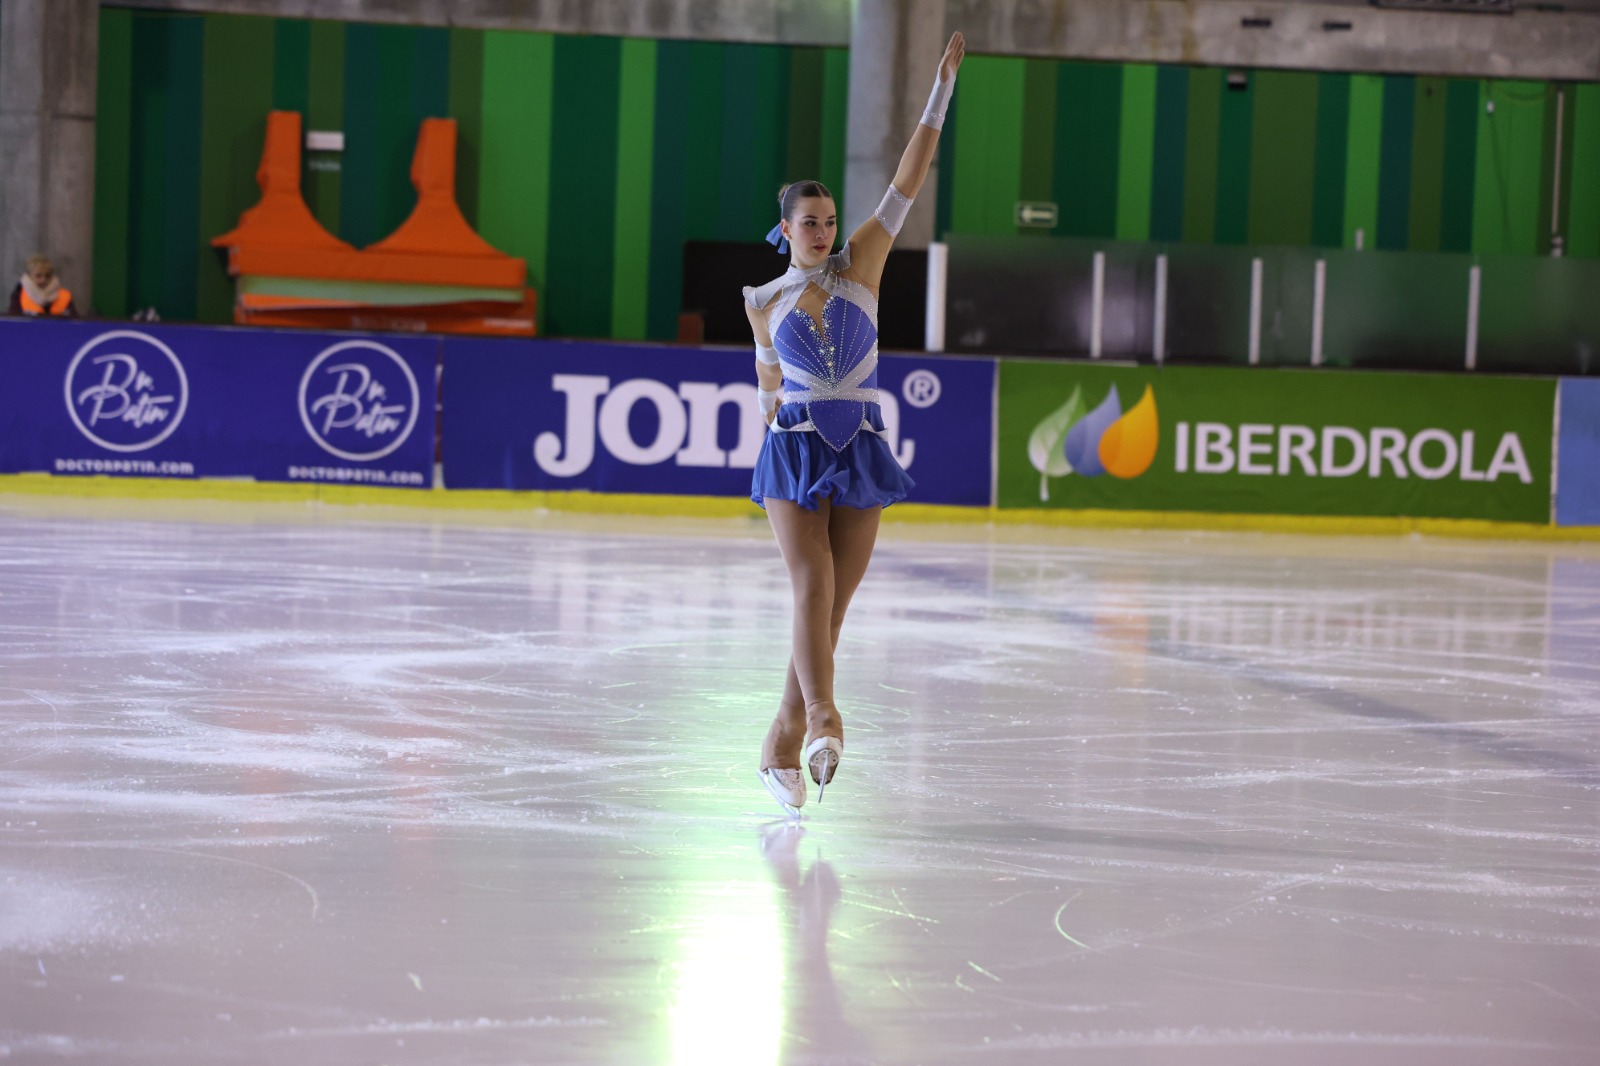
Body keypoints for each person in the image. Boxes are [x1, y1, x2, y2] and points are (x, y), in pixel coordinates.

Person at [744, 31, 964, 816]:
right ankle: (825, 720)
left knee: (833, 606)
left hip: (864, 445)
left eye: (831, 219)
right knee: (810, 585)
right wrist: (773, 415)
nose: (826, 232)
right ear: (787, 227)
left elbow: (910, 175)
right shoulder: (761, 300)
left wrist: (939, 91)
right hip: (795, 450)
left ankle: (780, 734)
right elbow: (767, 379)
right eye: (811, 223)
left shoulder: (865, 261)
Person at [9, 255, 77, 317]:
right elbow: (13, 325)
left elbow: (75, 324)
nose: (43, 280)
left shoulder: (64, 296)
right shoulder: (18, 296)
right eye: (38, 276)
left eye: (47, 276)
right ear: (29, 277)